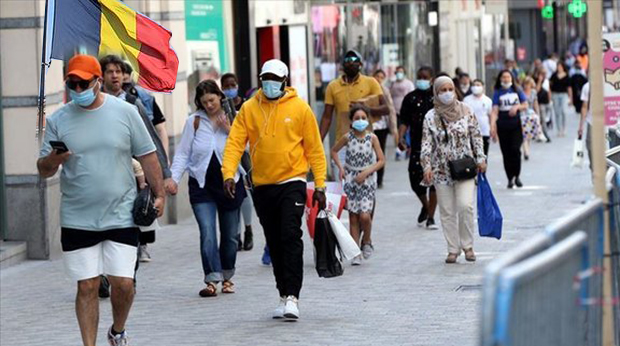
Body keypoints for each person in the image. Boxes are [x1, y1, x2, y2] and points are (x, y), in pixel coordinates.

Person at [37, 54, 164, 346]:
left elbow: (147, 155)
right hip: (77, 217)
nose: (79, 90)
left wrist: (159, 194)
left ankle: (117, 330)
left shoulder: (126, 112)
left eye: (84, 83)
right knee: (88, 286)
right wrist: (53, 159)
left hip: (120, 213)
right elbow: (43, 170)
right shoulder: (58, 119)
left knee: (123, 284)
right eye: (73, 84)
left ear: (98, 82)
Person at [222, 59, 327, 320]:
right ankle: (283, 293)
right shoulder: (249, 109)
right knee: (275, 241)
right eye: (265, 78)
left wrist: (321, 184)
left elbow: (315, 149)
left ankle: (293, 296)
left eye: (274, 78)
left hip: (293, 181)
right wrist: (228, 174)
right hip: (262, 185)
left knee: (290, 235)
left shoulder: (300, 109)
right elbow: (235, 142)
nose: (268, 83)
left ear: (284, 81)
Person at [98, 55, 172, 296]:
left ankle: (128, 276)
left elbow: (150, 142)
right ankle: (104, 275)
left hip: (132, 177)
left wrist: (164, 176)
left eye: (118, 71)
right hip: (101, 177)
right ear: (102, 76)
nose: (115, 75)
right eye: (109, 71)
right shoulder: (93, 105)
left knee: (130, 229)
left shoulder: (133, 103)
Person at [167, 80, 245, 298]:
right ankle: (212, 278)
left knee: (230, 236)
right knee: (208, 233)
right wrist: (173, 178)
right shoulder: (194, 122)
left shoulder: (235, 117)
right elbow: (183, 153)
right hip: (201, 186)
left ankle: (227, 276)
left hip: (230, 184)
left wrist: (229, 130)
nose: (209, 105)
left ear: (220, 96)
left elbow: (249, 145)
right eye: (204, 102)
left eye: (212, 100)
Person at [420, 76, 487, 264]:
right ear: (436, 92)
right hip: (441, 170)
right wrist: (427, 166)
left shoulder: (466, 110)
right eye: (442, 90)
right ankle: (452, 249)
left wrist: (481, 158)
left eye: (450, 89)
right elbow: (426, 144)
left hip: (464, 167)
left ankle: (468, 246)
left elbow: (476, 135)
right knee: (447, 211)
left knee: (466, 206)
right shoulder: (430, 117)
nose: (447, 93)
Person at [319, 50, 388, 179]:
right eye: (347, 61)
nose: (351, 63)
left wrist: (365, 108)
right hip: (342, 144)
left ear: (360, 64)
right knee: (343, 188)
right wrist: (318, 141)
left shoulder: (371, 82)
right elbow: (327, 116)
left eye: (354, 61)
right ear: (342, 66)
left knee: (366, 187)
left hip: (366, 142)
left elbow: (385, 109)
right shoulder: (332, 86)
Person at [331, 105, 385, 265]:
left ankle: (367, 241)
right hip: (351, 180)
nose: (360, 121)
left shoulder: (372, 138)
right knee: (353, 217)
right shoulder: (347, 137)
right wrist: (341, 168)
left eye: (363, 118)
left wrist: (366, 172)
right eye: (357, 118)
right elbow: (334, 151)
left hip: (367, 180)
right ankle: (355, 252)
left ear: (368, 120)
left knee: (365, 215)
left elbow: (381, 160)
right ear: (351, 121)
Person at [399, 66, 438, 229]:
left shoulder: (436, 97)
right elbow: (404, 121)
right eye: (419, 76)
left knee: (434, 181)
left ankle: (431, 216)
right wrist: (400, 137)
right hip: (416, 144)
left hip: (436, 146)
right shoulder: (410, 98)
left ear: (431, 79)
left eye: (425, 77)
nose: (422, 79)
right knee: (415, 180)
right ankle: (426, 204)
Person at [221, 72, 254, 251]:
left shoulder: (248, 106)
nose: (230, 89)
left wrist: (230, 129)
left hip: (246, 154)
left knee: (245, 192)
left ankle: (248, 229)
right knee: (234, 192)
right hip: (228, 154)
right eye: (226, 86)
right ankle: (236, 234)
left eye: (232, 85)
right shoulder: (220, 107)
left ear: (238, 85)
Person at [490, 70, 529, 188]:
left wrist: (517, 107)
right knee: (506, 153)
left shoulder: (517, 90)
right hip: (503, 125)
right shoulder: (498, 92)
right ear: (500, 79)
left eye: (508, 77)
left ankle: (517, 175)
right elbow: (495, 110)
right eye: (504, 77)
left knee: (515, 150)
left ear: (511, 78)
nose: (506, 79)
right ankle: (510, 178)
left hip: (516, 125)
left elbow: (525, 104)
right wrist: (492, 126)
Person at [372, 69, 397, 187]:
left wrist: (393, 128)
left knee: (380, 153)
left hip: (382, 126)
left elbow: (390, 109)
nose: (379, 79)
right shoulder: (368, 89)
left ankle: (379, 179)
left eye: (382, 77)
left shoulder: (385, 91)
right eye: (377, 76)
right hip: (369, 126)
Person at [463, 79, 493, 156]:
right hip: (470, 132)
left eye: (478, 85)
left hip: (484, 131)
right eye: (473, 85)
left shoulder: (488, 100)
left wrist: (492, 129)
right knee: (472, 155)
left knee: (484, 154)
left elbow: (491, 116)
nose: (475, 87)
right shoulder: (466, 100)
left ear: (483, 87)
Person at [521, 77, 542, 160]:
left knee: (528, 134)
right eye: (525, 84)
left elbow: (535, 103)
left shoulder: (533, 92)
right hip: (522, 115)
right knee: (524, 135)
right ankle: (526, 151)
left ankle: (527, 150)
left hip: (531, 115)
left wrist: (538, 114)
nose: (527, 86)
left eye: (528, 84)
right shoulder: (521, 92)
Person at [549, 61, 573, 137]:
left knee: (563, 111)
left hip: (564, 95)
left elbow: (569, 88)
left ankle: (563, 129)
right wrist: (550, 96)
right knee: (557, 112)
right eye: (558, 66)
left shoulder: (567, 76)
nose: (559, 68)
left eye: (560, 66)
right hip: (555, 94)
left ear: (563, 67)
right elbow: (550, 86)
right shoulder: (553, 75)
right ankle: (558, 129)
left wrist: (571, 98)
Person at [534, 66, 553, 142]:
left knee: (544, 119)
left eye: (545, 73)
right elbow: (536, 91)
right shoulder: (535, 80)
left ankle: (540, 135)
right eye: (542, 73)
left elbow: (548, 90)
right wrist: (539, 81)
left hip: (546, 102)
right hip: (539, 102)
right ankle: (545, 135)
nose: (544, 75)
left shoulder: (546, 80)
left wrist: (550, 100)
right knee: (542, 120)